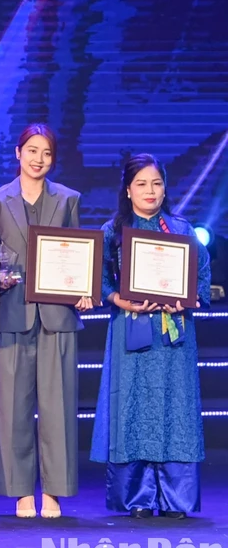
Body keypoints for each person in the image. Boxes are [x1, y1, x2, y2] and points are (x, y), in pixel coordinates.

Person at [91, 154, 210, 519]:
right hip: (131, 333)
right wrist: (116, 297)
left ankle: (176, 498)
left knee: (175, 408)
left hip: (174, 340)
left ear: (165, 187)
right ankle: (137, 497)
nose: (150, 190)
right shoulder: (112, 233)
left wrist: (187, 299)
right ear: (128, 190)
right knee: (133, 408)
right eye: (141, 183)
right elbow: (100, 280)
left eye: (156, 183)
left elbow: (202, 277)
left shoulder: (181, 230)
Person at [0, 125, 91, 518]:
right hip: (11, 313)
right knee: (11, 407)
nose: (38, 158)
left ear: (53, 158)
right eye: (31, 150)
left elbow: (79, 253)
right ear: (17, 153)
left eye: (45, 152)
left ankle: (55, 492)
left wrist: (83, 288)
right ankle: (20, 491)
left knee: (58, 406)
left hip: (57, 314)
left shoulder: (68, 199)